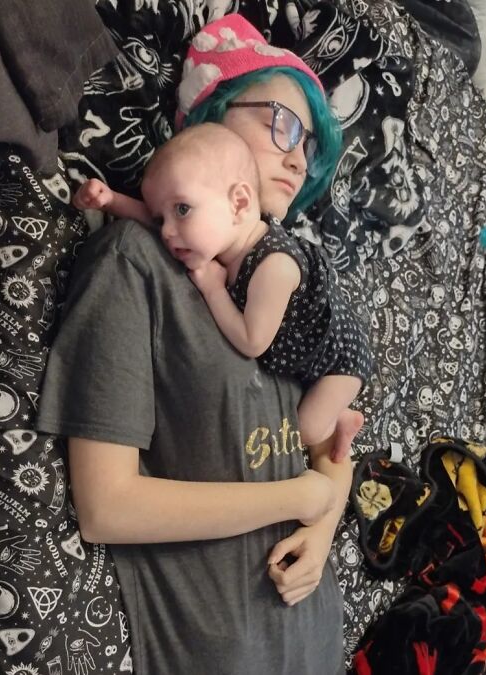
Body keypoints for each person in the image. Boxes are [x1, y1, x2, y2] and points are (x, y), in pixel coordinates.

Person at [37, 13, 361, 675]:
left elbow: (332, 444)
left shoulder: (287, 281)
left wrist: (324, 524)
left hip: (320, 644)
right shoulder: (135, 262)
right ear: (208, 117)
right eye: (282, 123)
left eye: (309, 143)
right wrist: (295, 499)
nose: (298, 157)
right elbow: (106, 506)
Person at [73, 122, 370, 458]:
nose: (167, 232)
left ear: (239, 203)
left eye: (182, 209)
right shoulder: (216, 233)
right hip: (303, 345)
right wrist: (111, 200)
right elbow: (156, 223)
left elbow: (253, 341)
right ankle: (337, 412)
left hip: (340, 359)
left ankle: (342, 419)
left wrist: (214, 290)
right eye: (161, 219)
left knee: (308, 429)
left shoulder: (274, 267)